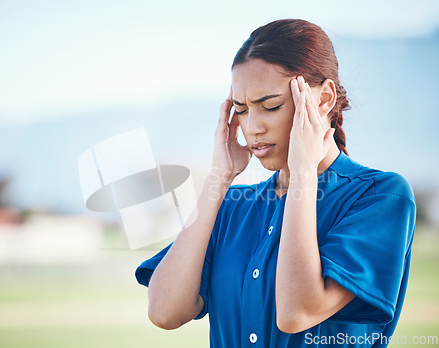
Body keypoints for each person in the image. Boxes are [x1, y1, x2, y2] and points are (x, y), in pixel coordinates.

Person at [135, 19, 416, 347]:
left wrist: (302, 175)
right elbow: (165, 312)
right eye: (241, 110)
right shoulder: (231, 207)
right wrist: (219, 177)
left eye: (270, 106)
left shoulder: (379, 197)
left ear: (324, 99)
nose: (252, 127)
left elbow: (296, 312)